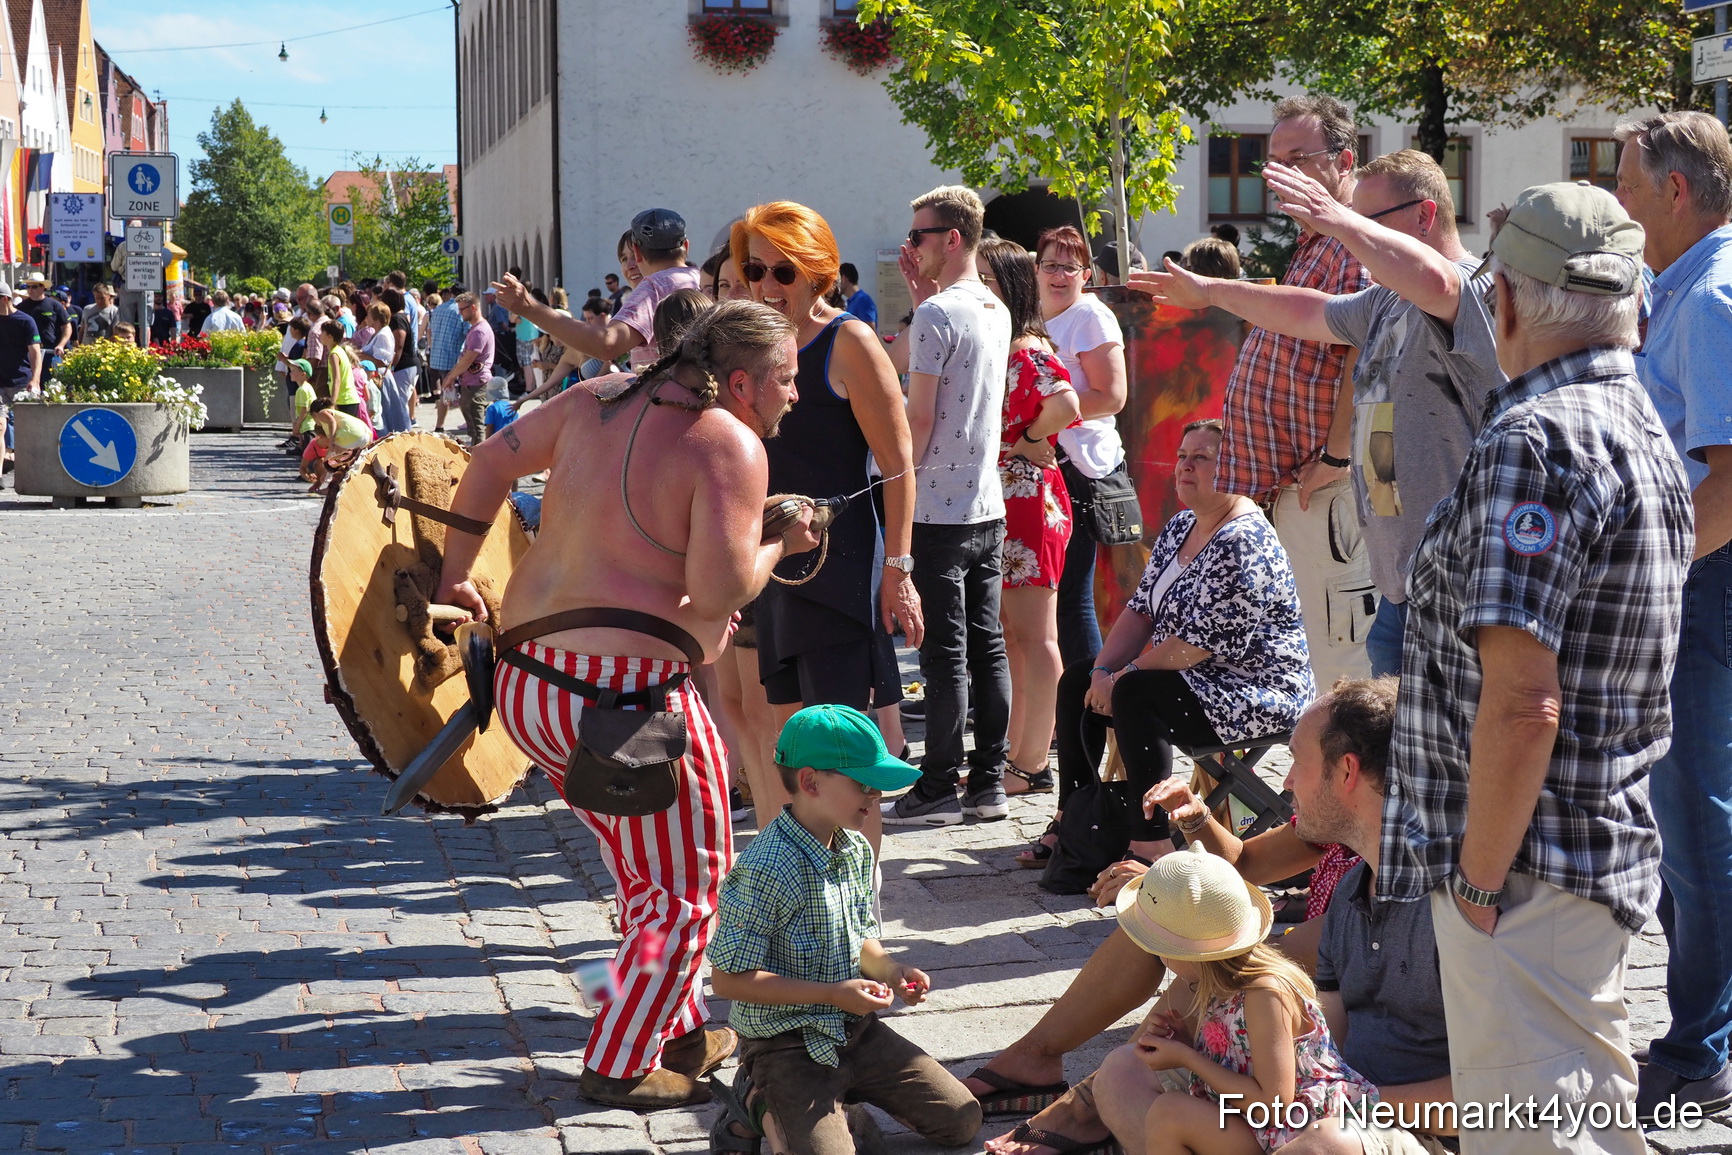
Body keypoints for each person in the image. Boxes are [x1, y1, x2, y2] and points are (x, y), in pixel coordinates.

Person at [435, 300, 817, 1110]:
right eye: (786, 379)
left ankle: (677, 1028)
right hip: (626, 705)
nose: (795, 395)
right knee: (687, 888)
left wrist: (454, 575)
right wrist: (783, 541)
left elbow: (487, 464)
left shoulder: (595, 396)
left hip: (528, 687)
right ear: (742, 381)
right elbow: (717, 590)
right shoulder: (729, 443)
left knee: (650, 874)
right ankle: (618, 1058)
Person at [1379, 183, 1692, 1154]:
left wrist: (1475, 882)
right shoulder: (1637, 426)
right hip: (1578, 851)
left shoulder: (1534, 439)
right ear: (1632, 305)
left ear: (1505, 304)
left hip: (1524, 866)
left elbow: (1523, 702)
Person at [1133, 149, 1504, 678]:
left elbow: (1439, 283)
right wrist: (1211, 291)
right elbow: (1306, 309)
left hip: (1458, 585)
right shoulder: (1386, 299)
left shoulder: (1471, 288)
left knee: (1444, 751)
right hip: (1400, 583)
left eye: (1366, 220)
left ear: (1424, 216)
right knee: (1390, 746)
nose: (1351, 236)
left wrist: (1337, 217)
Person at [1600, 112, 1732, 1121]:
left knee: (1694, 826)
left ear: (1676, 192)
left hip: (1701, 581)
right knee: (1688, 820)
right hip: (1691, 577)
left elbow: (1727, 481)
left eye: (1630, 188)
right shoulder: (1683, 289)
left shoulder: (1710, 300)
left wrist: (1648, 572)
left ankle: (1701, 1046)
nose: (1622, 206)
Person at [1027, 419, 1312, 870]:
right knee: (1078, 677)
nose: (1185, 466)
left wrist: (1122, 678)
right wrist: (1103, 671)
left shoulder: (1244, 541)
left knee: (1136, 693)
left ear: (1236, 469)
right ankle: (1073, 814)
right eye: (1182, 455)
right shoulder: (1182, 525)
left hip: (1257, 690)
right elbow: (1141, 611)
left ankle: (1151, 840)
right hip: (1197, 678)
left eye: (1202, 458)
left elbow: (1195, 646)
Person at [709, 705, 983, 1155]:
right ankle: (756, 1101)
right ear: (811, 782)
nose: (874, 795)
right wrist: (832, 994)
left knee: (960, 1120)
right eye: (862, 783)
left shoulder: (853, 846)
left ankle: (838, 1100)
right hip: (784, 1044)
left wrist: (891, 970)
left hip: (853, 1029)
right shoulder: (765, 868)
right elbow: (728, 980)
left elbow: (861, 939)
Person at [730, 201, 925, 828]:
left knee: (843, 756)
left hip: (839, 567)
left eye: (783, 273)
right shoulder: (751, 344)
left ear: (817, 272)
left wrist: (899, 569)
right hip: (774, 561)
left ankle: (858, 913)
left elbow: (898, 466)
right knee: (783, 740)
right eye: (755, 271)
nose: (765, 286)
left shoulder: (849, 340)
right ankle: (792, 890)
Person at [1214, 94, 1373, 690]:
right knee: (1307, 658)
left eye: (1297, 158)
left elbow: (1363, 357)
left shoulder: (1352, 240)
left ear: (1344, 160)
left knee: (1337, 665)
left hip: (1324, 492)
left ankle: (1342, 781)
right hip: (1295, 489)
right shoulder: (1315, 241)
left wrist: (1334, 456)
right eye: (1271, 161)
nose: (1279, 174)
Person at [876, 185, 1014, 827]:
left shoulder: (939, 318)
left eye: (921, 237)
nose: (911, 248)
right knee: (986, 649)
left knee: (944, 656)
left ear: (952, 238)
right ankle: (987, 782)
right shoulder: (992, 305)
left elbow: (923, 414)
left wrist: (889, 469)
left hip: (935, 505)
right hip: (985, 502)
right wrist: (919, 296)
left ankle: (937, 783)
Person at [1094, 845, 1377, 1155]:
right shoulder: (1214, 985)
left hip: (1300, 1130)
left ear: (1181, 953)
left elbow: (1275, 1103)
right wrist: (1188, 1043)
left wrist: (1188, 1060)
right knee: (1169, 1113)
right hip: (1258, 1122)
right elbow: (1242, 1062)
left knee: (1170, 1113)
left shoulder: (1264, 993)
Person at [979, 238, 1079, 795]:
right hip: (1009, 500)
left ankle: (1033, 759)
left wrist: (1025, 438)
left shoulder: (1025, 348)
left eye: (988, 281)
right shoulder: (1006, 343)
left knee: (1036, 637)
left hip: (1029, 501)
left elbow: (1067, 405)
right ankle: (1020, 754)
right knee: (1015, 635)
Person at [1034, 225, 1128, 668]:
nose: (1059, 275)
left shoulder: (1090, 316)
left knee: (1071, 598)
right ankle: (1054, 714)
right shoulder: (1034, 315)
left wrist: (1039, 425)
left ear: (1086, 275)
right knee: (1048, 600)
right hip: (1043, 464)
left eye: (1069, 267)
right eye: (1050, 264)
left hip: (1078, 469)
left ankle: (1083, 721)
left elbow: (1111, 395)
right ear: (1036, 269)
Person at [439, 292, 495, 443]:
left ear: (473, 308)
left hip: (477, 384)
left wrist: (450, 377)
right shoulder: (475, 329)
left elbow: (467, 360)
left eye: (462, 309)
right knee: (473, 427)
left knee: (477, 428)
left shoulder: (480, 331)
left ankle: (479, 461)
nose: (460, 313)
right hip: (470, 383)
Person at [0, 282, 41, 473]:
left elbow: (35, 353)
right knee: (0, 426)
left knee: (24, 427)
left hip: (20, 381)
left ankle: (28, 467)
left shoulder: (25, 321)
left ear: (5, 299)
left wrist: (35, 379)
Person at [304, 397, 373, 493]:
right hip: (365, 434)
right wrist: (326, 472)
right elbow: (329, 454)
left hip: (351, 435)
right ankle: (347, 487)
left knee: (339, 461)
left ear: (314, 414)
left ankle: (332, 488)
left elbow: (331, 422)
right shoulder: (337, 415)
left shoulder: (321, 413)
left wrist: (332, 441)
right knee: (351, 462)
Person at [428, 286, 471, 435]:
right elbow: (467, 333)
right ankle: (469, 421)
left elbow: (431, 330)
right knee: (464, 391)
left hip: (436, 357)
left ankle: (439, 425)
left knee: (445, 392)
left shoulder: (438, 309)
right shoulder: (460, 311)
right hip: (452, 356)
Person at [19, 274, 69, 371]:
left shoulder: (55, 305)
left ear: (43, 287)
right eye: (28, 286)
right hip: (28, 352)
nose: (30, 290)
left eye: (34, 286)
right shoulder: (21, 307)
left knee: (51, 384)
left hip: (50, 352)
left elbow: (67, 326)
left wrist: (61, 345)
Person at [317, 320, 364, 419]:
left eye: (322, 332)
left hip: (344, 400)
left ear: (330, 336)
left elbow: (337, 379)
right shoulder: (339, 350)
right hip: (348, 399)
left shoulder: (334, 354)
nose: (320, 335)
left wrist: (332, 403)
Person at [838, 262, 878, 330]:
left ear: (844, 279)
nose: (836, 284)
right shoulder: (852, 301)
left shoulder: (862, 300)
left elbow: (870, 330)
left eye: (838, 280)